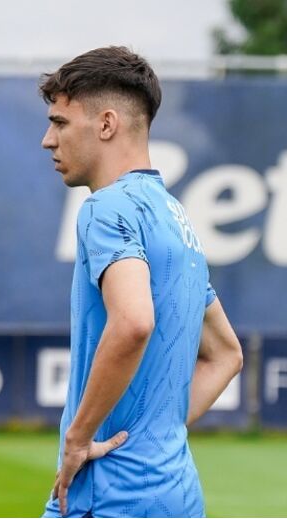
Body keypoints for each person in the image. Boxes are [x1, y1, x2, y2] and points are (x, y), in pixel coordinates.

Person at [38, 46, 243, 517]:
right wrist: (156, 434)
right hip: (178, 493)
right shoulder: (176, 217)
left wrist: (78, 438)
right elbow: (226, 354)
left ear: (106, 124)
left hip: (109, 495)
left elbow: (132, 322)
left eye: (60, 122)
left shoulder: (105, 208)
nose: (48, 140)